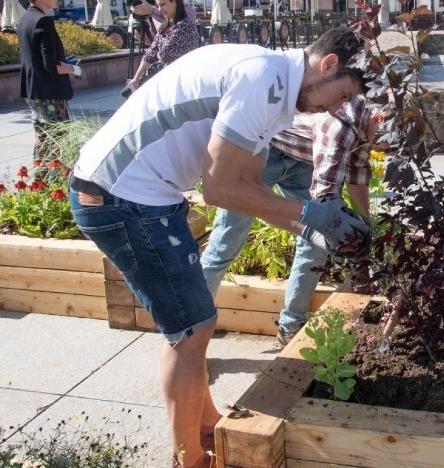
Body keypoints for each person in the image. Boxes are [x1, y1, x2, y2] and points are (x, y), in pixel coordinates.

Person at [68, 28, 369, 468]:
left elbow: (246, 188)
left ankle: (207, 422)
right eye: (341, 95)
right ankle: (188, 459)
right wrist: (309, 213)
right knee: (189, 332)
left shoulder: (277, 90)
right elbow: (219, 189)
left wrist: (307, 230)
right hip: (119, 197)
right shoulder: (261, 81)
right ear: (328, 66)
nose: (337, 109)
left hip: (150, 197)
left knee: (196, 324)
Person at [201, 95, 378, 348]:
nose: (382, 151)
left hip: (303, 160)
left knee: (315, 246)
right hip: (264, 152)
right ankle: (192, 342)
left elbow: (357, 176)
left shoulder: (368, 126)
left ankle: (290, 329)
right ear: (377, 119)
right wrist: (342, 234)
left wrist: (366, 228)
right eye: (383, 147)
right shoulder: (340, 126)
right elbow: (326, 201)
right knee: (225, 244)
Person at [16, 0, 80, 162]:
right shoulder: (43, 21)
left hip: (32, 90)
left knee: (43, 138)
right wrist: (73, 69)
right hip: (48, 91)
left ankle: (40, 179)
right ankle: (55, 181)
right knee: (58, 139)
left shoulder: (24, 19)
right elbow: (50, 65)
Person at [128, 0, 199, 91]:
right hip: (167, 81)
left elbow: (164, 53)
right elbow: (151, 52)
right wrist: (136, 79)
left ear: (174, 2)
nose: (160, 9)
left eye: (163, 4)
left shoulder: (185, 26)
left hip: (183, 83)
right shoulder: (165, 25)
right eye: (158, 5)